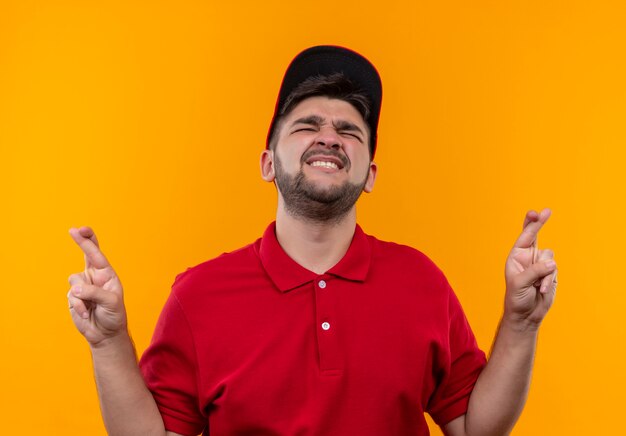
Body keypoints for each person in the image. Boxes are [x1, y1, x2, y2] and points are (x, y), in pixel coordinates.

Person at [67, 46, 558, 436]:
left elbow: (475, 428)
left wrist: (521, 322)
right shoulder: (197, 295)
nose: (329, 138)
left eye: (350, 131)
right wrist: (109, 342)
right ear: (267, 164)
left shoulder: (421, 281)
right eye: (307, 126)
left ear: (370, 174)